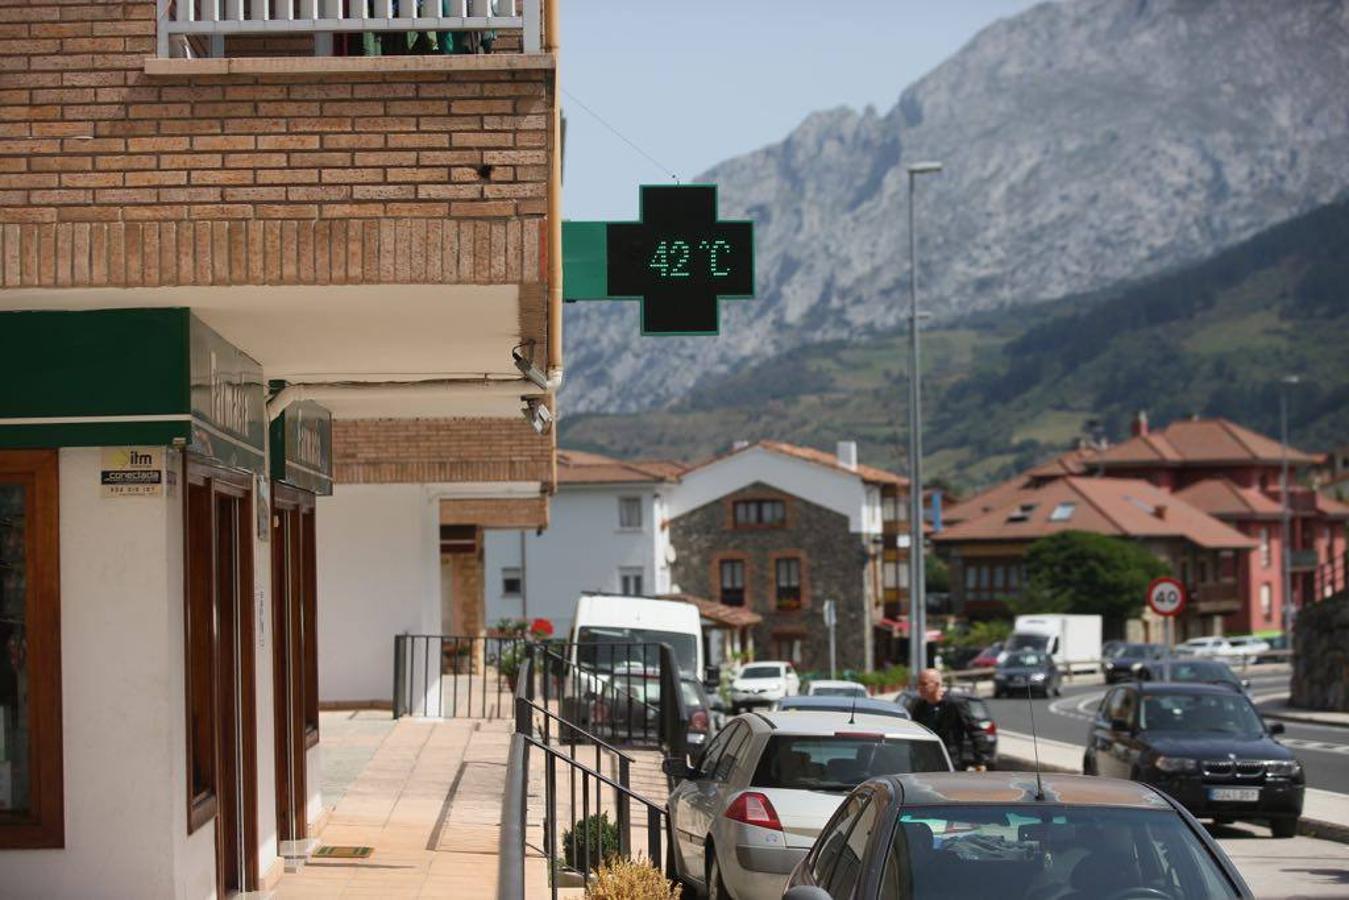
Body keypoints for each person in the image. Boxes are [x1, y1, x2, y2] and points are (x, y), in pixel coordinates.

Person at [908, 668, 986, 771]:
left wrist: (980, 761)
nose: (920, 688)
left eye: (924, 684)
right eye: (919, 684)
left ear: (937, 685)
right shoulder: (919, 707)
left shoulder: (955, 705)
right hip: (924, 765)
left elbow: (976, 732)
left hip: (950, 764)